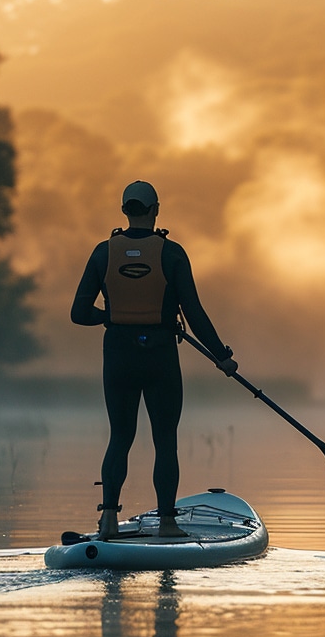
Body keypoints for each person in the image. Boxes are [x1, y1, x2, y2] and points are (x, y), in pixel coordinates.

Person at [71, 180, 237, 539]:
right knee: (165, 440)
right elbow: (193, 312)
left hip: (118, 356)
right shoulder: (172, 253)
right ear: (155, 210)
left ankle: (108, 520)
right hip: (160, 357)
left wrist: (112, 315)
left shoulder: (103, 253)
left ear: (124, 211)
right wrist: (221, 356)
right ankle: (167, 523)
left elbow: (79, 313)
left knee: (120, 437)